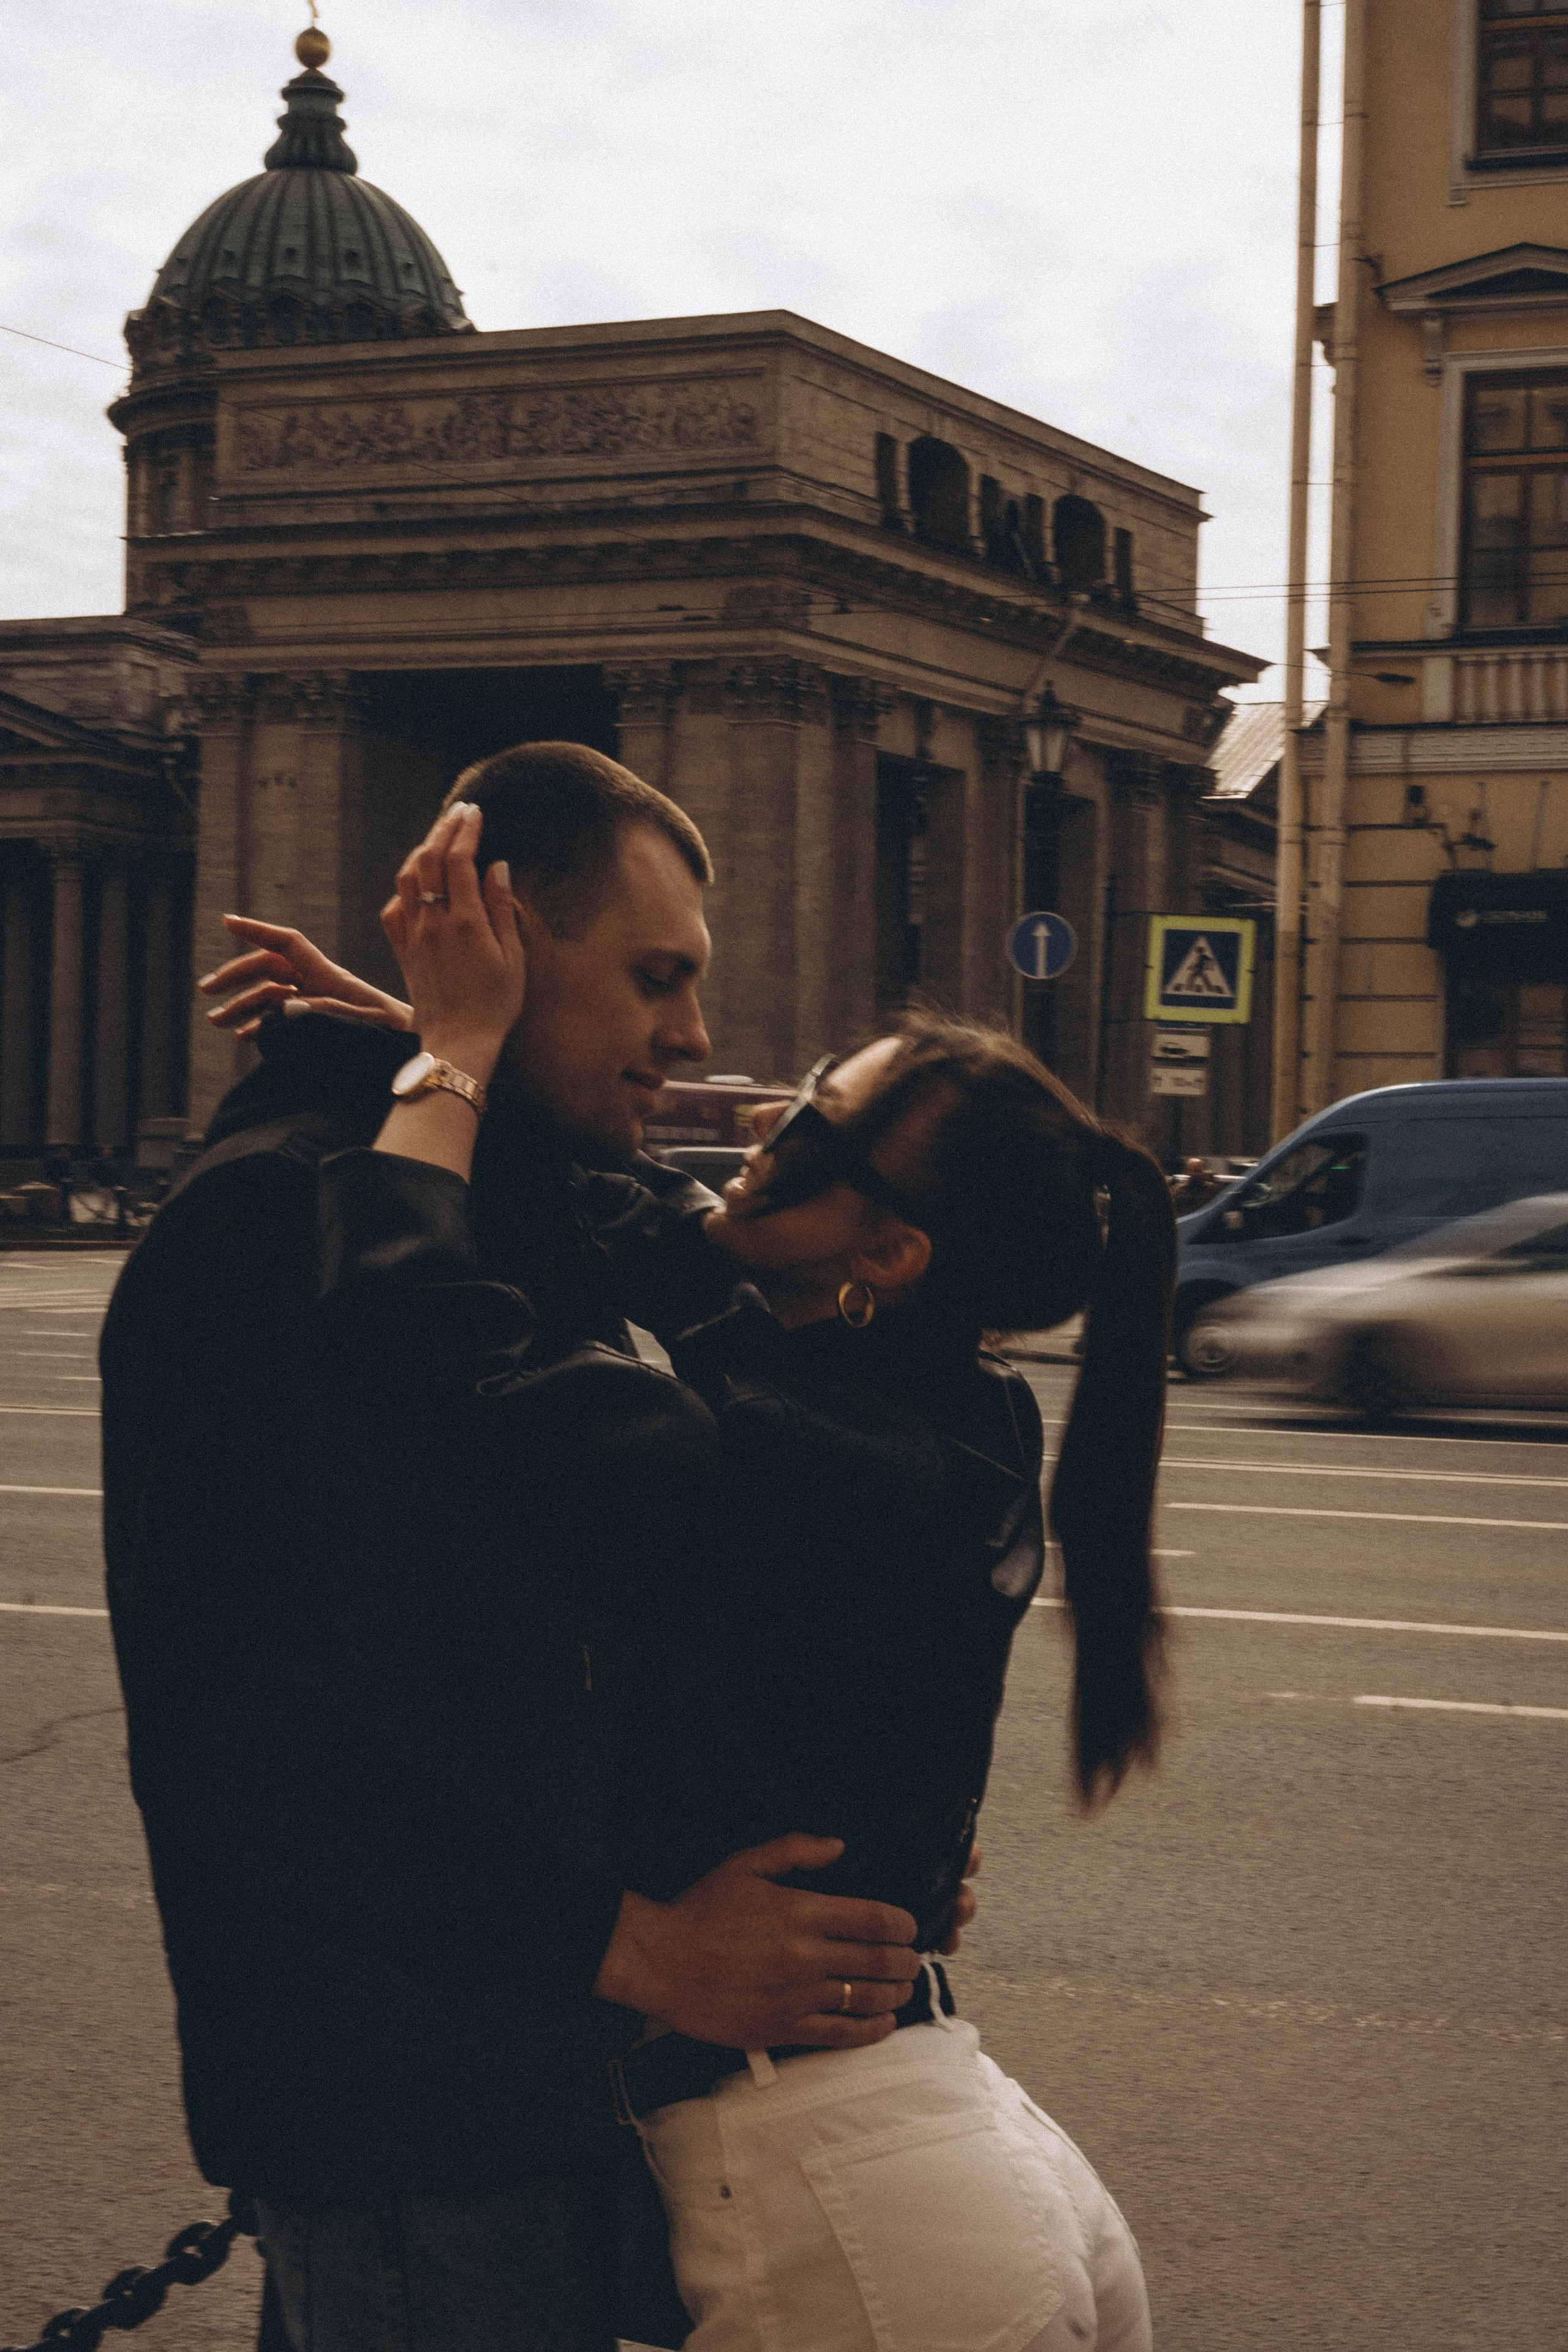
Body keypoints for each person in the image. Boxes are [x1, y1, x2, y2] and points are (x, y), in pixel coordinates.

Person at [290, 805, 1173, 2350]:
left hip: (854, 2210)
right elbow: (666, 1232)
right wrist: (461, 1045)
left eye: (808, 1140)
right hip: (944, 2155)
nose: (750, 1140)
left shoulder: (792, 1457)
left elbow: (414, 1337)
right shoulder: (942, 1406)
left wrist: (443, 1072)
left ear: (890, 1253)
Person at [101, 748, 938, 2352]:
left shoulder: (455, 1199)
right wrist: (634, 1947)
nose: (690, 1036)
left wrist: (422, 1043)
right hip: (410, 2113)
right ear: (497, 937)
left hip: (527, 2079)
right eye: (656, 979)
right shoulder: (273, 1227)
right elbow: (255, 1732)